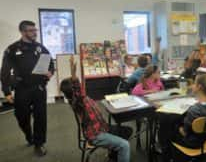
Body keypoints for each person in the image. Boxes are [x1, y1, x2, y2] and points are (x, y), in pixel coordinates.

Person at [158, 37, 206, 161]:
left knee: (166, 127)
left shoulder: (195, 110)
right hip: (205, 138)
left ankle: (166, 155)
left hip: (191, 142)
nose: (192, 85)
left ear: (199, 87)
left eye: (194, 83)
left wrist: (177, 127)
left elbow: (184, 131)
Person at [60, 56, 131, 162]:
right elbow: (76, 87)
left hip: (102, 128)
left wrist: (73, 74)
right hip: (96, 135)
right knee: (125, 145)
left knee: (127, 131)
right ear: (74, 91)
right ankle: (117, 151)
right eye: (75, 83)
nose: (79, 84)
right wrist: (73, 73)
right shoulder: (77, 102)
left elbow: (77, 87)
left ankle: (114, 156)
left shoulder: (82, 97)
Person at [0, 20, 54, 156]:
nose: (34, 33)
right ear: (22, 32)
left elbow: (50, 64)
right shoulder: (12, 49)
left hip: (39, 88)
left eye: (35, 30)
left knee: (40, 117)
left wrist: (50, 73)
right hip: (21, 89)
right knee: (21, 116)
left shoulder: (40, 48)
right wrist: (6, 91)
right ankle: (28, 135)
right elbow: (5, 72)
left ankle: (39, 143)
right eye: (31, 30)